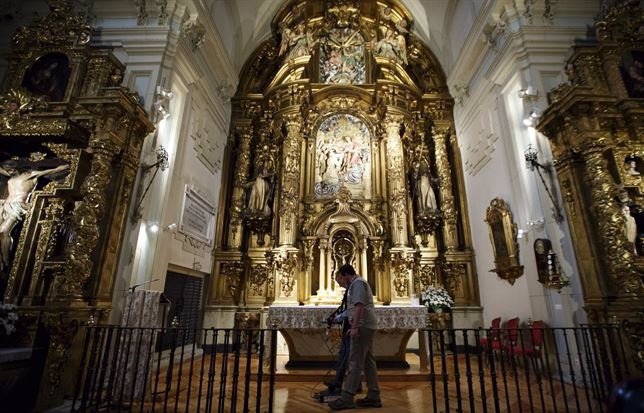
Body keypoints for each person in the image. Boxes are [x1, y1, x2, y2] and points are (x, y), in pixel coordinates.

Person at [328, 264, 381, 410]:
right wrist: (338, 318)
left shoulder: (357, 284)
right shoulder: (357, 284)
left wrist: (355, 327)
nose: (341, 285)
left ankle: (347, 397)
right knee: (368, 362)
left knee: (355, 361)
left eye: (340, 281)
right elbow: (352, 309)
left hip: (362, 326)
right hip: (366, 325)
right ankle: (374, 395)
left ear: (346, 275)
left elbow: (359, 307)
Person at [0, 160, 69, 271]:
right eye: (8, 170)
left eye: (11, 170)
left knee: (3, 231)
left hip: (18, 206)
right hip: (6, 206)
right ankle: (2, 260)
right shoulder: (10, 175)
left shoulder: (30, 175)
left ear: (16, 168)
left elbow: (52, 170)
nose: (10, 173)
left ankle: (6, 261)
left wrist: (68, 165)